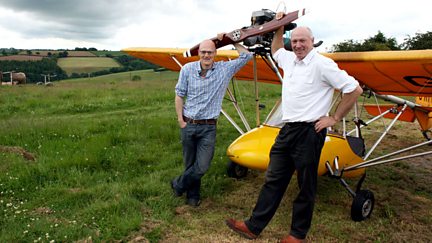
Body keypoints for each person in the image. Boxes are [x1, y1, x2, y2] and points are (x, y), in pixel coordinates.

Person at [225, 12, 363, 243]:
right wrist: (280, 27)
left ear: (311, 41)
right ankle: (253, 226)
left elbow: (354, 89)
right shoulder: (289, 59)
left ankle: (297, 235)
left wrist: (334, 117)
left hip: (310, 132)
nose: (298, 45)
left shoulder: (322, 64)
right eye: (295, 41)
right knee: (273, 179)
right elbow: (277, 49)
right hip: (286, 130)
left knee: (305, 186)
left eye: (303, 41)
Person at [171, 35, 253, 207]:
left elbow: (247, 56)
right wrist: (180, 120)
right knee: (190, 164)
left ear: (215, 53)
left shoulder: (224, 69)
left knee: (202, 166)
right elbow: (179, 95)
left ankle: (178, 184)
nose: (206, 55)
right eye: (203, 52)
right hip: (188, 123)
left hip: (208, 127)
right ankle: (193, 196)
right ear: (198, 53)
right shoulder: (187, 69)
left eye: (210, 52)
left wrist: (232, 40)